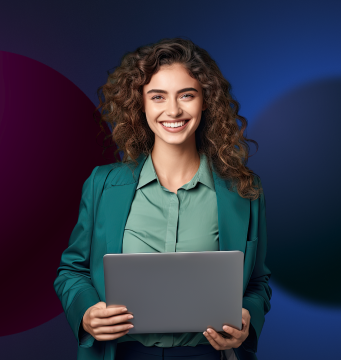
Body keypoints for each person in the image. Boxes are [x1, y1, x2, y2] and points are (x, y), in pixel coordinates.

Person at [54, 38, 271, 360]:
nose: (173, 110)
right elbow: (72, 270)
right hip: (124, 354)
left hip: (206, 355)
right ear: (140, 104)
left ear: (205, 101)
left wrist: (247, 321)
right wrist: (86, 313)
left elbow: (258, 282)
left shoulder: (242, 189)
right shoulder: (103, 184)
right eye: (158, 97)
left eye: (187, 95)